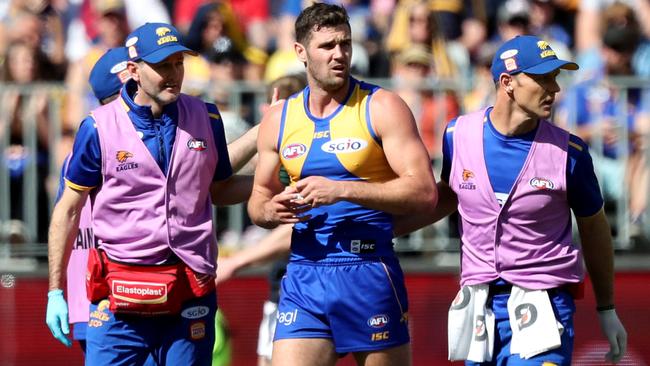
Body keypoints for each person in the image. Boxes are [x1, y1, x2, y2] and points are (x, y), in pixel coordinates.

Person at [395, 35, 628, 365]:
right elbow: (448, 196)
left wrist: (607, 307)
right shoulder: (456, 135)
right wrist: (387, 228)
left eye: (555, 78)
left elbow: (594, 229)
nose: (554, 88)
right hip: (480, 307)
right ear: (507, 82)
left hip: (545, 304)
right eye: (542, 78)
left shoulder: (570, 153)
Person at [46, 22, 252, 366]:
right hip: (118, 299)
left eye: (178, 63)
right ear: (134, 71)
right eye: (161, 66)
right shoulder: (97, 128)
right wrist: (55, 291)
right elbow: (67, 210)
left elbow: (220, 188)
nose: (173, 74)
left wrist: (274, 183)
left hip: (189, 292)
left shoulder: (207, 116)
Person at [247, 3, 437, 366]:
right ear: (300, 52)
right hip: (304, 271)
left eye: (345, 44)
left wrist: (343, 189)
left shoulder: (382, 106)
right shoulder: (279, 118)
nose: (340, 54)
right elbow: (258, 200)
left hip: (367, 269)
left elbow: (425, 193)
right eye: (327, 46)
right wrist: (271, 210)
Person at [216, 74, 306, 366]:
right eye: (270, 108)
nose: (272, 113)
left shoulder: (321, 158)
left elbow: (295, 228)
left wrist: (235, 262)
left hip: (320, 283)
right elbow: (216, 180)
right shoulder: (274, 160)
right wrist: (260, 133)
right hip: (284, 287)